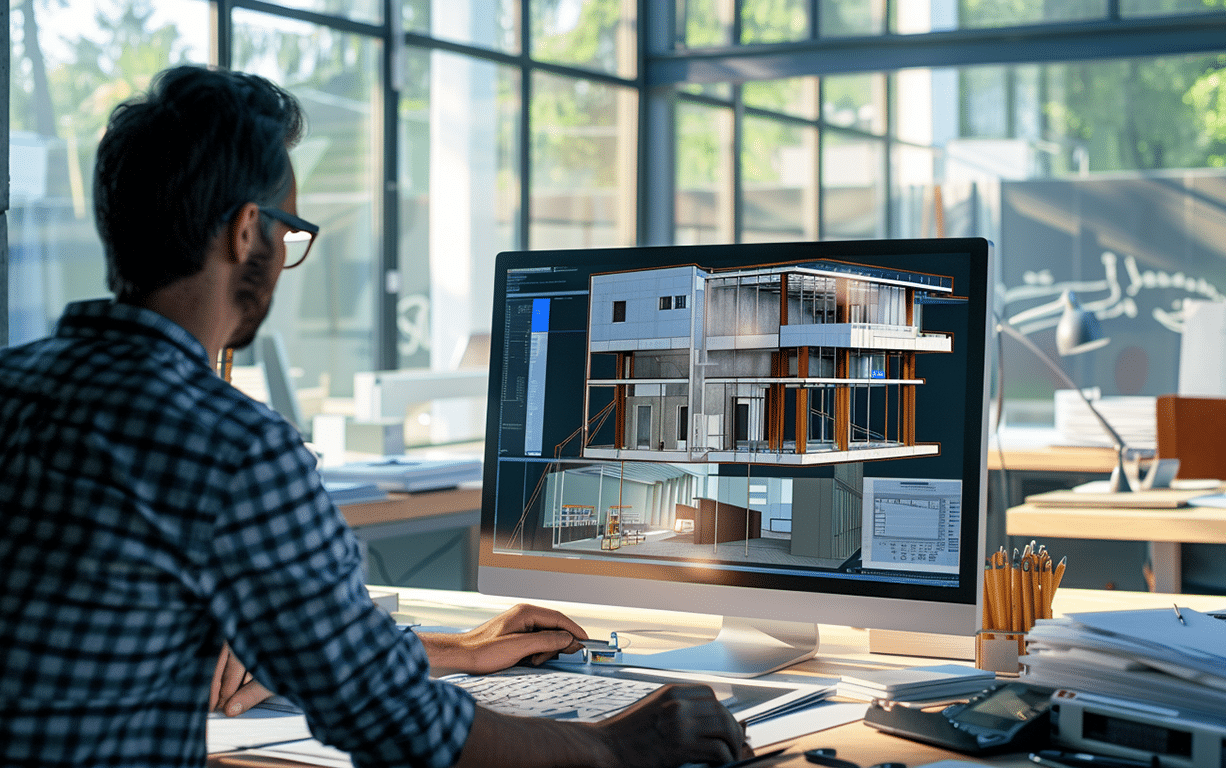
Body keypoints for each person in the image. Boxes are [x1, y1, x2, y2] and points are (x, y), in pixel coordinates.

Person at [0, 65, 747, 768]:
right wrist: (614, 747)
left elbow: (315, 645)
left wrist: (454, 650)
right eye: (289, 231)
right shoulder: (231, 448)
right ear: (245, 231)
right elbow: (399, 726)